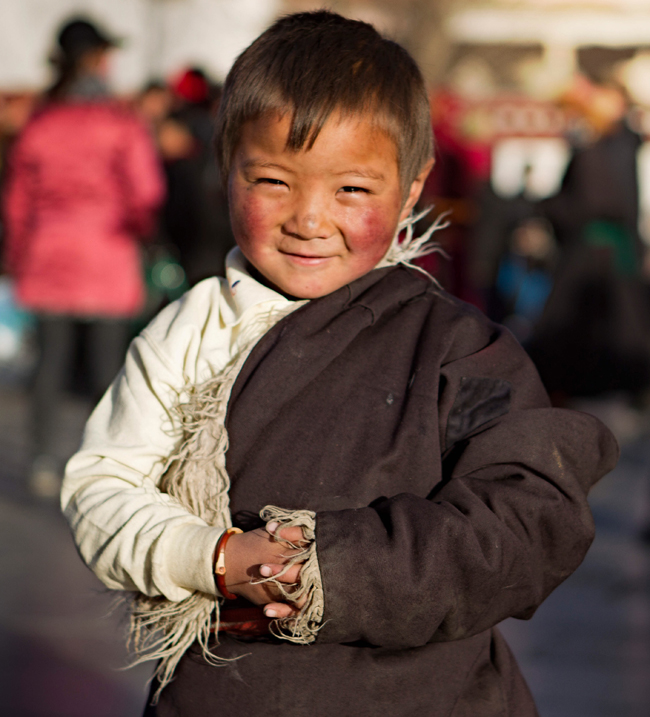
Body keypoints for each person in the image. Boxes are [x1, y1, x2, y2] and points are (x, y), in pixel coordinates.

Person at [61, 12, 618, 716]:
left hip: (425, 694)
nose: (310, 219)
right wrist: (212, 555)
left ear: (412, 188)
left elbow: (531, 512)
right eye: (272, 181)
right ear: (226, 169)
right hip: (228, 691)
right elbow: (104, 487)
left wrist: (326, 567)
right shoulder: (192, 331)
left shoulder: (459, 350)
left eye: (351, 189)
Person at [2, 17, 165, 497]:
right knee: (105, 368)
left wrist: (17, 255)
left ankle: (42, 460)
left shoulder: (41, 121)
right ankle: (105, 467)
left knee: (49, 362)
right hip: (106, 254)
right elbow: (145, 192)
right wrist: (142, 231)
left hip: (49, 252)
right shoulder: (120, 121)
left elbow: (16, 201)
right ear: (98, 59)